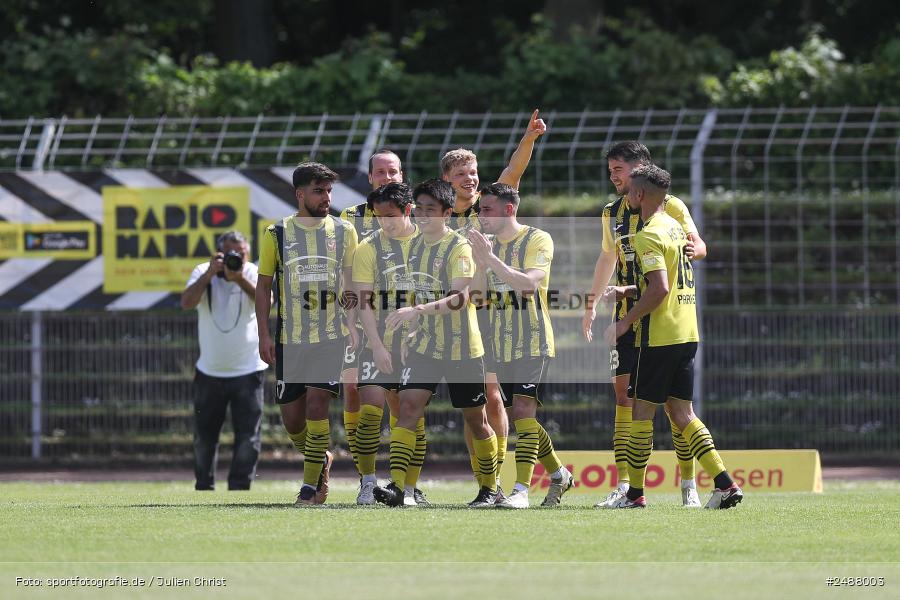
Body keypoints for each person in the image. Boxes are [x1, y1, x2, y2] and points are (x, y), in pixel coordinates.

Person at [603, 164, 743, 510]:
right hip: (687, 332)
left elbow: (660, 289)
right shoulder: (677, 230)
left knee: (641, 414)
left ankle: (634, 495)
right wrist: (630, 289)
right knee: (683, 414)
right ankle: (725, 484)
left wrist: (625, 322)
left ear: (638, 194)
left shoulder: (648, 233)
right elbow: (665, 282)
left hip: (659, 336)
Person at [583, 140, 708, 509]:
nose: (612, 176)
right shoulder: (611, 212)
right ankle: (625, 486)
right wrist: (591, 303)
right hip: (625, 316)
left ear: (639, 169)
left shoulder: (670, 206)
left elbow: (699, 246)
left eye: (617, 170)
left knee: (672, 407)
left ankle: (688, 484)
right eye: (610, 170)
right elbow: (608, 256)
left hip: (662, 316)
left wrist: (693, 249)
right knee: (624, 397)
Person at [373, 179, 499, 508]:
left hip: (463, 350)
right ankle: (399, 487)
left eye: (431, 209)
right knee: (408, 411)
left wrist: (416, 311)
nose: (423, 215)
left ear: (446, 213)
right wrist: (411, 333)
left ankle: (490, 487)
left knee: (476, 420)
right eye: (420, 208)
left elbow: (461, 297)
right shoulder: (413, 247)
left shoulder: (458, 247)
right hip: (426, 348)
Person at [441, 109, 547, 497]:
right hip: (457, 316)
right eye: (461, 174)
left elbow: (513, 172)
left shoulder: (489, 203)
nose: (470, 179)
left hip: (491, 315)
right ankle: (485, 481)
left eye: (472, 172)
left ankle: (497, 481)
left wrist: (529, 138)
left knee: (491, 396)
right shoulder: (441, 215)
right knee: (471, 408)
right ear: (446, 181)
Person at [255, 162, 359, 505]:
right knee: (292, 420)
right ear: (300, 194)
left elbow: (352, 282)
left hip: (331, 337)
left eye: (329, 191)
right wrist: (264, 335)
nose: (326, 197)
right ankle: (321, 460)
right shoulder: (277, 234)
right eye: (319, 191)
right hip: (290, 339)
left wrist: (354, 321)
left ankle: (310, 486)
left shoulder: (345, 232)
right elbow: (263, 286)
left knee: (318, 406)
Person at [468, 183, 573, 509]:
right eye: (480, 210)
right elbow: (478, 296)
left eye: (487, 209)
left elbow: (529, 284)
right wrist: (480, 265)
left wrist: (490, 259)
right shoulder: (489, 246)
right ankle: (558, 474)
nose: (481, 216)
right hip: (500, 343)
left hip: (532, 339)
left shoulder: (537, 238)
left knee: (525, 414)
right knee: (521, 418)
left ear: (508, 209)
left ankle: (521, 491)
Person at [340, 149, 429, 506]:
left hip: (410, 330)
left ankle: (407, 486)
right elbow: (348, 278)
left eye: (393, 171)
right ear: (370, 177)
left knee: (407, 407)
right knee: (360, 398)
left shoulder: (421, 222)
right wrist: (350, 323)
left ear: (402, 174)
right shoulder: (351, 219)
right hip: (365, 323)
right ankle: (367, 480)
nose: (387, 176)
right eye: (380, 171)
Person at [181, 230, 268, 491]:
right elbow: (186, 302)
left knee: (248, 438)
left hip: (248, 369)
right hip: (210, 371)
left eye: (241, 253)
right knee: (204, 438)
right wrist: (210, 274)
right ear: (219, 253)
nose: (236, 258)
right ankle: (204, 486)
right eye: (231, 254)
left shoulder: (252, 272)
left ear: (248, 253)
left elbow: (267, 301)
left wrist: (238, 277)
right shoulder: (203, 271)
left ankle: (240, 489)